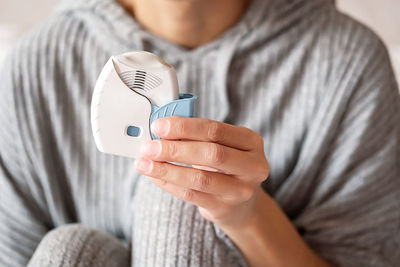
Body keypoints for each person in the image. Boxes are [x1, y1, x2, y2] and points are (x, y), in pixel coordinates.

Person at [0, 0, 399, 266]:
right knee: (69, 253)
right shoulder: (34, 67)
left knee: (176, 209)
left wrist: (245, 216)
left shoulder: (347, 63)